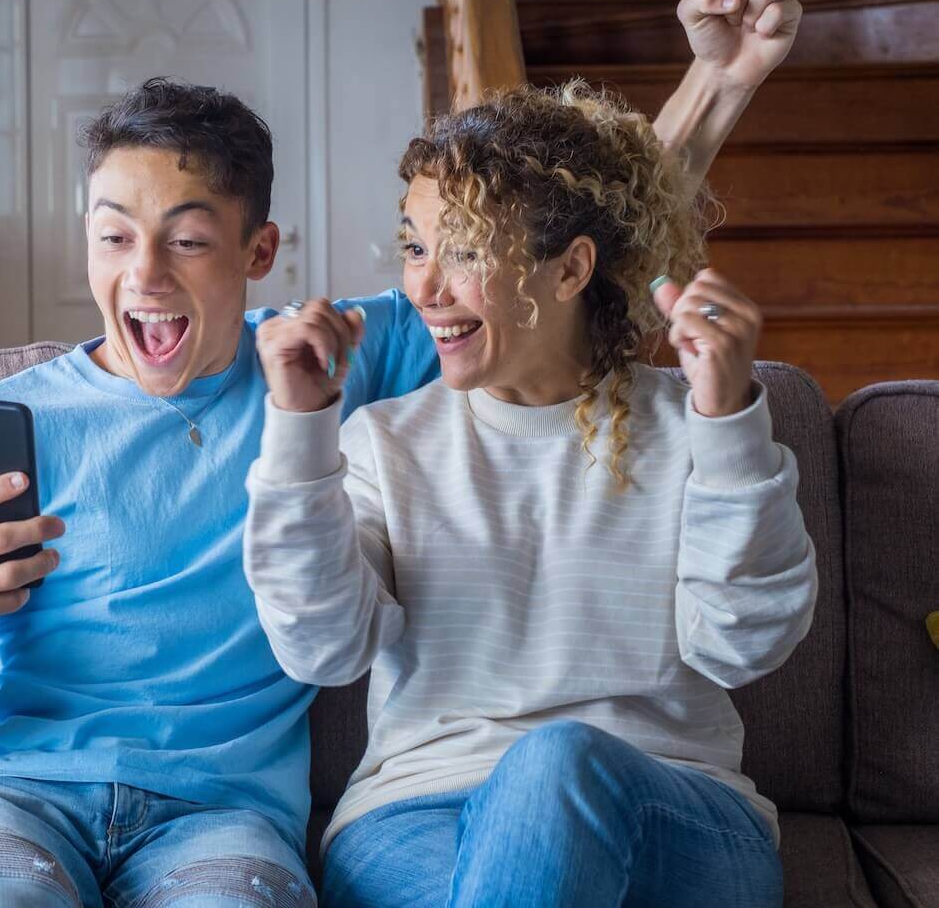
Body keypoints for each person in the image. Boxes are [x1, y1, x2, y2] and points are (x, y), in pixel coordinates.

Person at [0, 0, 804, 908]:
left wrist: (719, 85)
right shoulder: (12, 421)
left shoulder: (332, 362)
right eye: (112, 236)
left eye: (186, 240)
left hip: (215, 817)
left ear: (258, 252)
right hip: (10, 793)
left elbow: (550, 243)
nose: (143, 274)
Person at [242, 76, 817, 908]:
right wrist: (298, 428)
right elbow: (321, 649)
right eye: (414, 245)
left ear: (571, 269)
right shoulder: (383, 442)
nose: (425, 288)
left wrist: (727, 425)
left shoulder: (696, 427)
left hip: (675, 810)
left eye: (466, 250)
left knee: (555, 761)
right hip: (417, 817)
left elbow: (742, 647)